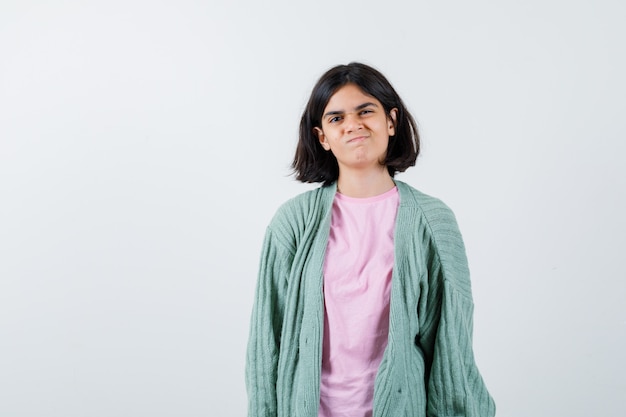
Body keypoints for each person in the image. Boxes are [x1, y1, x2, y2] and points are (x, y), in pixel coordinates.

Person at [246, 62, 495, 417]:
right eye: (336, 118)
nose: (353, 125)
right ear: (322, 137)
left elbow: (451, 346)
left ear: (391, 121)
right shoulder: (293, 223)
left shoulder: (432, 222)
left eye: (366, 111)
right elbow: (266, 340)